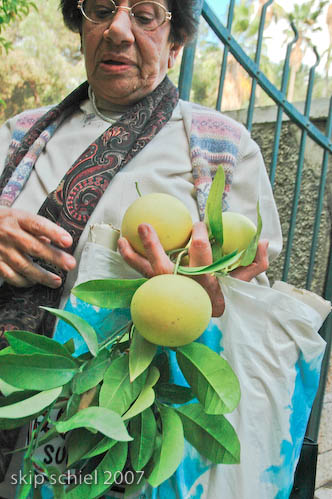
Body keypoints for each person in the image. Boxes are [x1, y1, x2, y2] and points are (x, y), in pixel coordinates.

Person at [0, 1, 328, 498]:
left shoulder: (222, 147)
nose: (117, 29)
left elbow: (240, 296)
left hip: (116, 414)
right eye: (100, 8)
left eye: (146, 14)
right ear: (80, 26)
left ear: (176, 44)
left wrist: (211, 292)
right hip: (17, 391)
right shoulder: (18, 137)